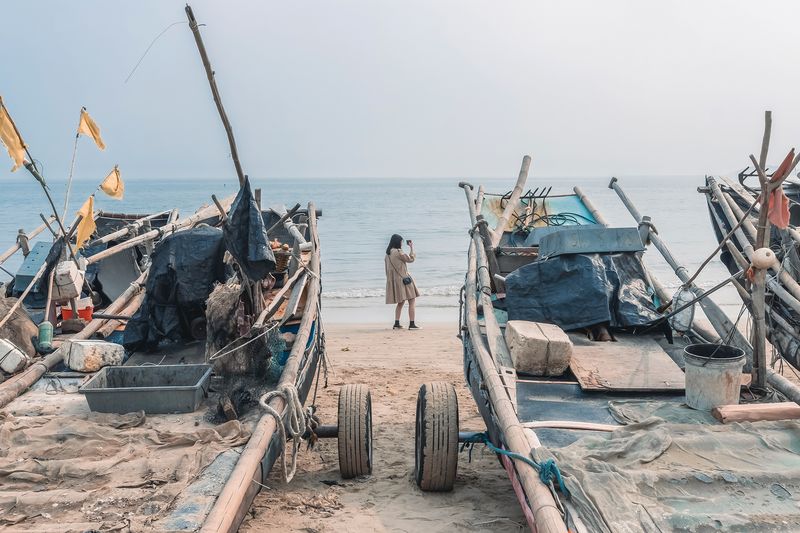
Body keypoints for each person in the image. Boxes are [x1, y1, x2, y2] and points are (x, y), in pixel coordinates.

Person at [385, 234, 420, 329]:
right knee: (412, 300)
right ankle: (412, 324)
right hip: (405, 281)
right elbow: (411, 259)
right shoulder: (398, 252)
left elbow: (387, 271)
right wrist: (411, 247)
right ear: (397, 242)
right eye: (401, 241)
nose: (401, 243)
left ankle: (396, 324)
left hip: (395, 282)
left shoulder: (387, 255)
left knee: (400, 302)